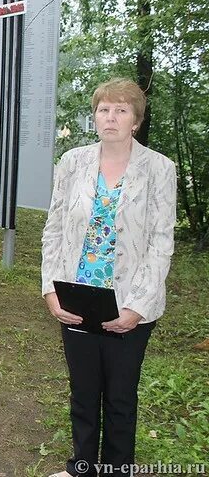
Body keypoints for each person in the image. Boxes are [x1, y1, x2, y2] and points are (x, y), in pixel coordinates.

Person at [41, 78, 177, 477]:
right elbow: (54, 228)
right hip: (78, 296)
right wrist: (51, 288)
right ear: (94, 115)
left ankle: (118, 471)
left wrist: (137, 306)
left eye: (121, 110)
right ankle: (81, 467)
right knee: (83, 393)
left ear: (136, 120)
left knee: (119, 397)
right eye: (104, 109)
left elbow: (160, 242)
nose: (111, 117)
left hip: (129, 302)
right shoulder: (73, 162)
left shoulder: (159, 169)